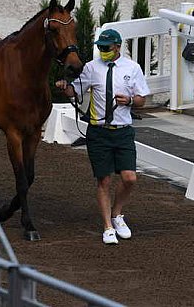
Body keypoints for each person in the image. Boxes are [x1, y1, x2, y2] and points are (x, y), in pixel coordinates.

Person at [56, 29, 150, 245]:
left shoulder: (132, 68)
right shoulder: (91, 68)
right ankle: (108, 226)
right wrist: (65, 87)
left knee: (129, 178)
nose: (102, 51)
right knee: (104, 180)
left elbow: (141, 100)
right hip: (98, 132)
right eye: (100, 47)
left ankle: (117, 214)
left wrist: (130, 100)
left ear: (117, 47)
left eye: (106, 48)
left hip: (123, 131)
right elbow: (75, 91)